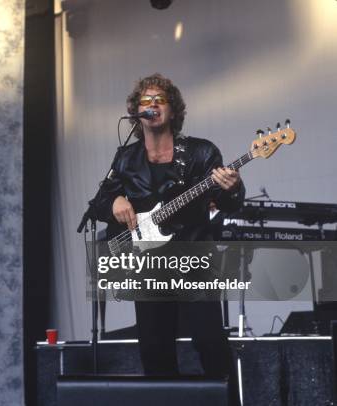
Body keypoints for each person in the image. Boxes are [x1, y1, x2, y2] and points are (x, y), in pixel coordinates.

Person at [95, 73, 245, 404]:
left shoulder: (201, 153)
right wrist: (114, 201)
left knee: (209, 342)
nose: (151, 106)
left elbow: (226, 203)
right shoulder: (126, 158)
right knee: (154, 348)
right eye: (145, 101)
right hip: (149, 265)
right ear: (136, 112)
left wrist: (233, 187)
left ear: (173, 110)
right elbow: (98, 203)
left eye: (158, 100)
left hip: (192, 259)